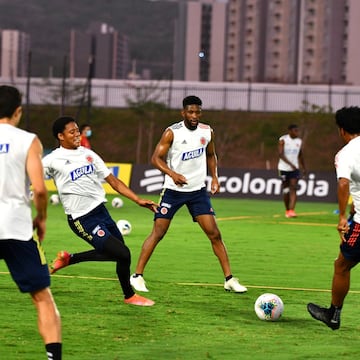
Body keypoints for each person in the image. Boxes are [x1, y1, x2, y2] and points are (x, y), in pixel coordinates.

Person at [130, 95, 247, 293]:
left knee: (214, 234)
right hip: (173, 191)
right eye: (190, 112)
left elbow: (211, 155)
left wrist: (215, 178)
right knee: (158, 232)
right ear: (183, 112)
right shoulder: (171, 133)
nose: (194, 115)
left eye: (197, 112)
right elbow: (155, 159)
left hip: (197, 191)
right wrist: (172, 174)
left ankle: (229, 279)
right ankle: (137, 276)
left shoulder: (207, 131)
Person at [45, 116, 157, 306]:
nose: (77, 135)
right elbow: (33, 177)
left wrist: (137, 199)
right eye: (72, 132)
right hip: (82, 219)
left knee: (118, 255)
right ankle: (129, 296)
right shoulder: (52, 160)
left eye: (78, 131)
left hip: (101, 212)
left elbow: (113, 181)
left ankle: (69, 259)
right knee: (123, 253)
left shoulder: (89, 155)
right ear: (60, 136)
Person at [0, 85, 62, 359]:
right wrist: (42, 218)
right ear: (18, 111)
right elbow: (39, 189)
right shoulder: (28, 140)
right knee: (42, 297)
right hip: (16, 228)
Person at [307, 106, 360, 330]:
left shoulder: (346, 154)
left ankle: (333, 315)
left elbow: (343, 183)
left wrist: (342, 218)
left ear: (341, 130)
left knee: (342, 266)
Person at [277, 124, 306, 218]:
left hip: (295, 169)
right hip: (283, 168)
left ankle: (292, 210)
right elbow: (280, 154)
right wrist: (290, 164)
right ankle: (287, 210)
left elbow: (300, 155)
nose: (297, 132)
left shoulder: (299, 141)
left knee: (293, 187)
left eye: (298, 131)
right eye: (295, 131)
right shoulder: (283, 140)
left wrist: (304, 167)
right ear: (289, 131)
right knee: (286, 190)